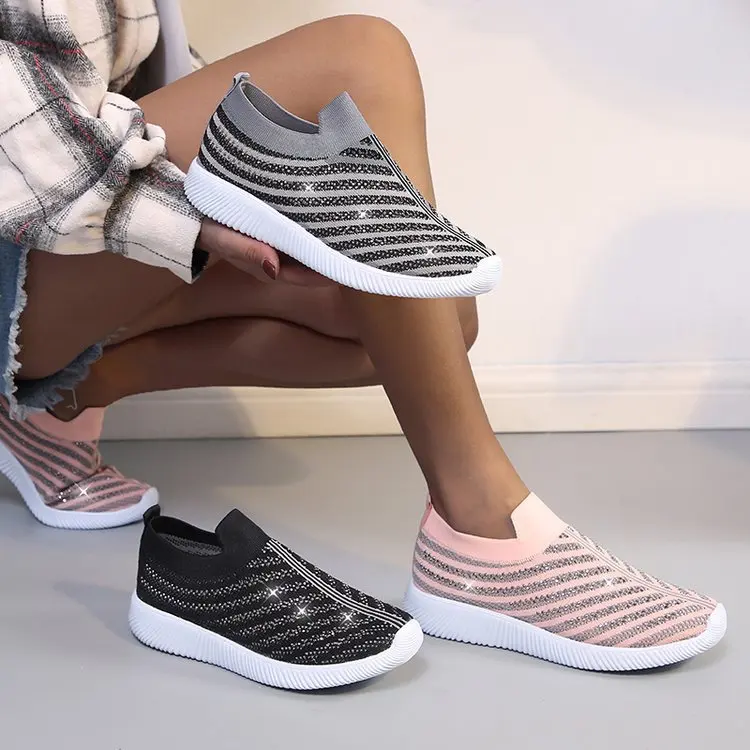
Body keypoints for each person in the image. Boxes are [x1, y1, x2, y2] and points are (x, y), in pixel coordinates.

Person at [0, 1, 725, 670]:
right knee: (359, 56)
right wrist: (184, 216)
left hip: (69, 214)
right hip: (27, 229)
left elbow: (134, 85)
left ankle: (56, 403)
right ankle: (483, 531)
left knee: (428, 321)